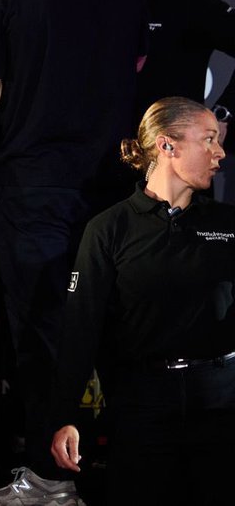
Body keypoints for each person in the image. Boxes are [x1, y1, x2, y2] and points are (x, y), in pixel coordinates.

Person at [0, 0, 147, 506]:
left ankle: (49, 480)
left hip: (35, 187)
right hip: (114, 188)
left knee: (43, 332)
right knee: (117, 327)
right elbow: (133, 71)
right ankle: (126, 467)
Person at [51, 97, 232, 505]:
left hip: (221, 404)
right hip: (142, 405)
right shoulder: (108, 229)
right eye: (208, 140)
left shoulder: (227, 225)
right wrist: (66, 416)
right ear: (168, 146)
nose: (219, 152)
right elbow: (81, 329)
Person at [107, 0, 235, 141]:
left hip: (176, 148)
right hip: (111, 151)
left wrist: (223, 114)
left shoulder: (189, 3)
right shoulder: (103, 8)